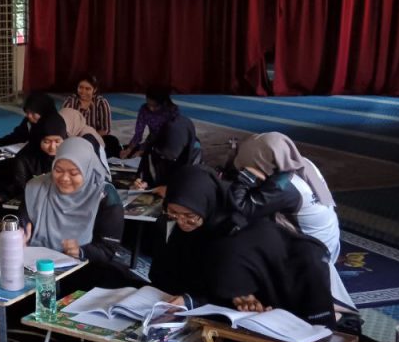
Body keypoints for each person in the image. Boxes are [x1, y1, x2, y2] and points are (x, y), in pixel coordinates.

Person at [149, 166, 337, 327]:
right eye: (173, 213)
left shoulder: (241, 232)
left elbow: (251, 286)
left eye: (190, 215)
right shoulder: (186, 233)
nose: (181, 222)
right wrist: (191, 299)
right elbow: (168, 277)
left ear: (206, 203)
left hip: (277, 312)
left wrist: (238, 296)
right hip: (220, 312)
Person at [228, 131, 352, 308]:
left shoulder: (284, 186)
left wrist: (246, 177)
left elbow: (242, 208)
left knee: (247, 232)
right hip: (329, 244)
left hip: (312, 257)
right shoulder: (301, 163)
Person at [19, 137, 127, 269]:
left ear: (87, 169)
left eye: (74, 173)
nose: (64, 178)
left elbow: (107, 250)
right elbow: (22, 224)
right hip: (35, 265)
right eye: (58, 170)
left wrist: (80, 251)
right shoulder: (36, 188)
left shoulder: (105, 196)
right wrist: (19, 237)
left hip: (86, 268)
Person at [133, 110, 202, 194]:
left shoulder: (194, 150)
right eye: (163, 155)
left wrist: (169, 189)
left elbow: (192, 184)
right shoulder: (155, 144)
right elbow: (145, 170)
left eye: (172, 157)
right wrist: (142, 181)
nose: (165, 158)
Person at [10, 113, 67, 198]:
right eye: (46, 142)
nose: (52, 147)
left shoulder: (71, 155)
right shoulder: (24, 159)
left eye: (57, 141)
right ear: (38, 139)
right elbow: (21, 189)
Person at [62, 74, 119, 157]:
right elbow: (63, 125)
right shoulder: (71, 101)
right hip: (74, 139)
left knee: (112, 141)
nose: (83, 91)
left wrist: (89, 138)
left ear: (94, 90)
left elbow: (105, 129)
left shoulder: (101, 103)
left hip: (94, 138)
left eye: (87, 89)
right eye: (81, 87)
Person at [121, 88, 178, 159]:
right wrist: (129, 149)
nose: (151, 108)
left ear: (163, 103)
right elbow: (138, 134)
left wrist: (144, 150)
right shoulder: (144, 109)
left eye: (155, 106)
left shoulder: (171, 111)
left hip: (169, 142)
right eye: (149, 104)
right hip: (152, 141)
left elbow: (174, 134)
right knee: (130, 153)